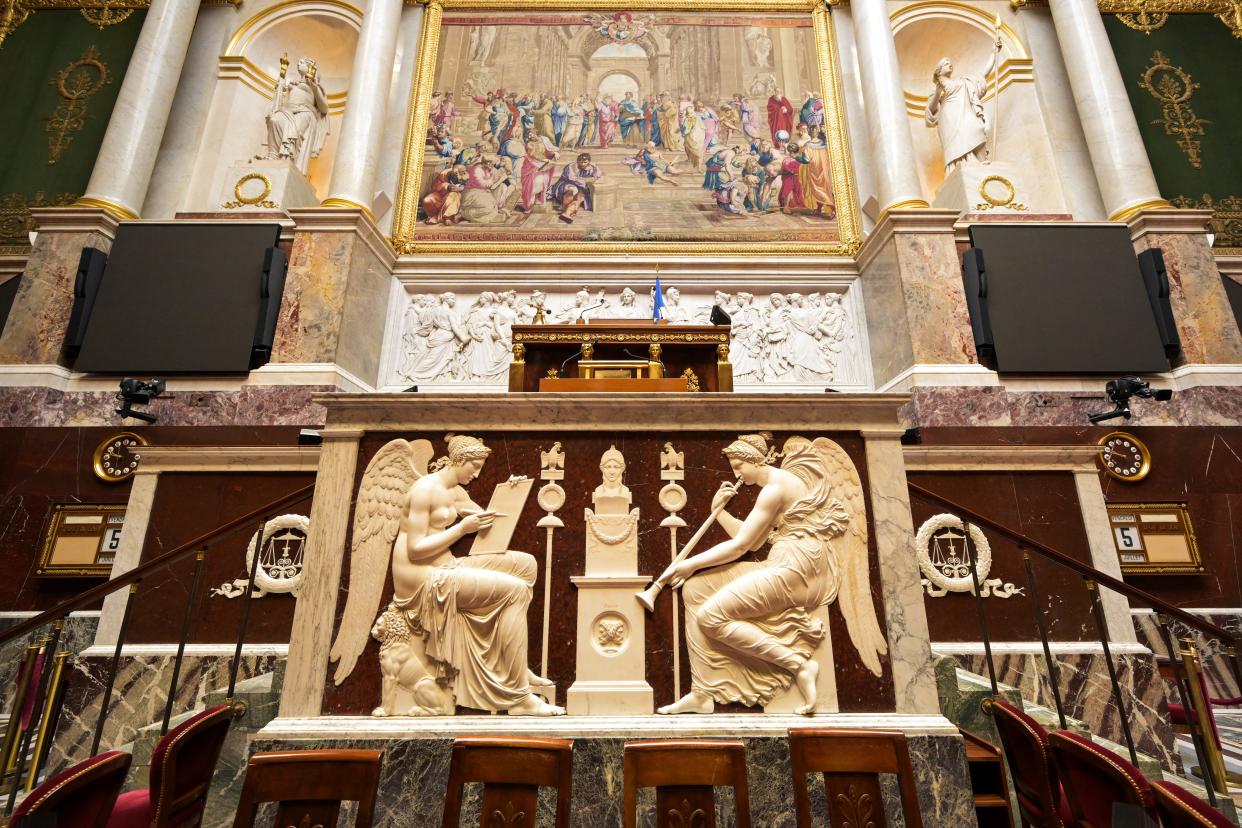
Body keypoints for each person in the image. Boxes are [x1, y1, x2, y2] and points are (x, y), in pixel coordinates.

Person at [655, 433, 886, 716]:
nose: (736, 474)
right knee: (694, 590)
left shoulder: (774, 489)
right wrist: (719, 512)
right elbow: (752, 540)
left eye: (739, 466)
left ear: (755, 460)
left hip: (798, 569)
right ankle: (702, 693)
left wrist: (690, 564)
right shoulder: (780, 485)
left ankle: (799, 665)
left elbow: (741, 546)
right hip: (785, 562)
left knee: (710, 616)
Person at [397, 434, 562, 714]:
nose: (477, 473)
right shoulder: (425, 490)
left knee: (526, 565)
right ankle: (519, 695)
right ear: (458, 460)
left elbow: (486, 521)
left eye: (481, 467)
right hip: (421, 578)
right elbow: (415, 550)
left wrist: (509, 494)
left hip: (445, 566)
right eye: (474, 466)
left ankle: (515, 665)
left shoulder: (455, 491)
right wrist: (461, 529)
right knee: (515, 590)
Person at [925, 37, 1001, 172]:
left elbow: (983, 74)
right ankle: (957, 169)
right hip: (949, 119)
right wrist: (937, 94)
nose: (950, 64)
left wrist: (993, 54)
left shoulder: (963, 80)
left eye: (950, 63)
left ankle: (982, 163)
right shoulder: (936, 89)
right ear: (939, 70)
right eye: (946, 63)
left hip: (965, 112)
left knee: (976, 129)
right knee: (956, 143)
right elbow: (930, 113)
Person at [264, 57, 330, 173]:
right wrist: (282, 79)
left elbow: (324, 108)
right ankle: (273, 154)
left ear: (309, 68)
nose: (298, 64)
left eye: (302, 62)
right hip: (287, 111)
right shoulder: (293, 84)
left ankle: (289, 158)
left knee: (295, 132)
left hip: (304, 112)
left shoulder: (315, 86)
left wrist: (314, 88)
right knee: (274, 120)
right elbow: (282, 94)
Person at [549, 152, 604, 223]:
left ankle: (567, 213)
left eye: (585, 162)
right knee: (573, 190)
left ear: (589, 162)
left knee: (580, 197)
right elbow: (572, 179)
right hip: (566, 183)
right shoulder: (571, 166)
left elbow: (598, 175)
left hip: (581, 186)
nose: (583, 164)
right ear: (578, 161)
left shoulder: (591, 167)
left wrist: (594, 171)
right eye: (581, 162)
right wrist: (586, 180)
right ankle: (564, 209)